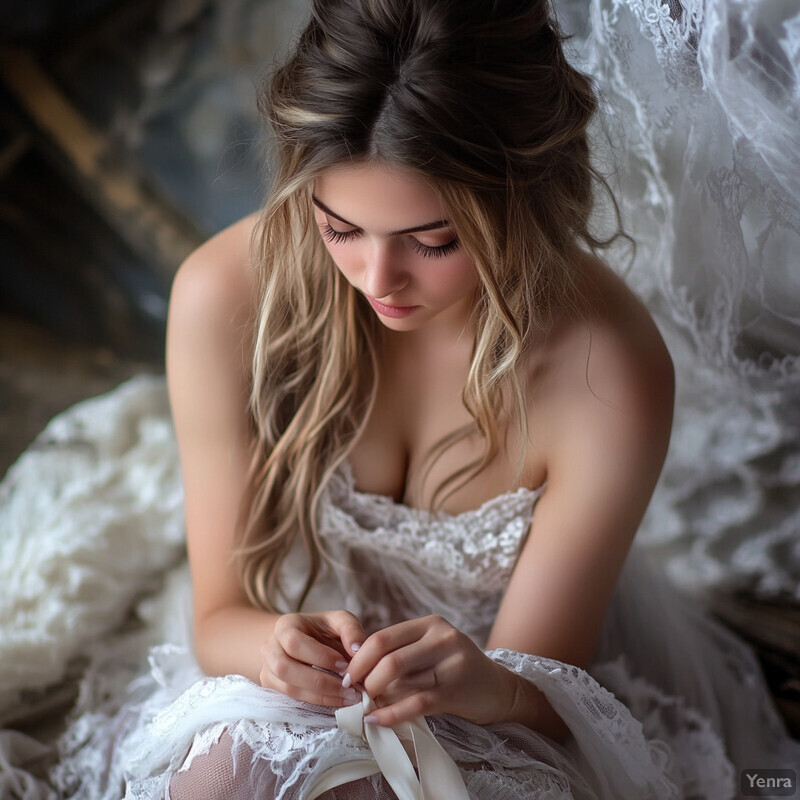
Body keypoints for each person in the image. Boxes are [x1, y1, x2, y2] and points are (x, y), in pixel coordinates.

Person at [93, 0, 796, 798]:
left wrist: (491, 683)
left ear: (522, 197)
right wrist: (272, 646)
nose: (376, 280)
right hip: (283, 681)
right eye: (338, 227)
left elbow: (549, 691)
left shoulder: (609, 370)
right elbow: (219, 616)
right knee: (221, 778)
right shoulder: (223, 297)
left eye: (432, 243)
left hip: (493, 703)